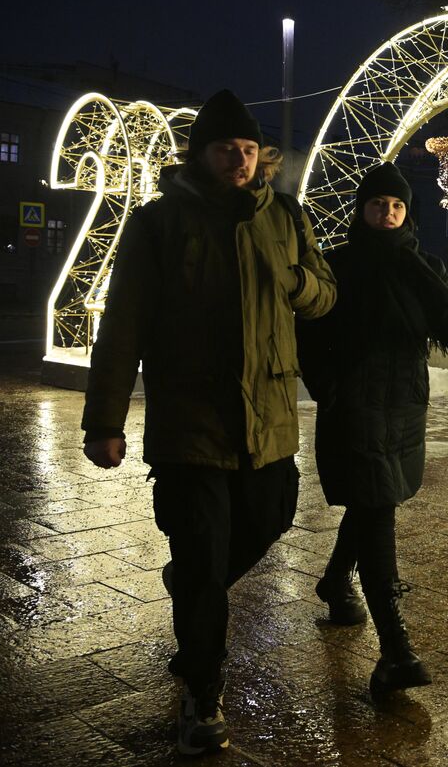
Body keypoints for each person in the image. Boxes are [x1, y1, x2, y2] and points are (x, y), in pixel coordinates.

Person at [81, 89, 336, 756]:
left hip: (269, 421)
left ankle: (194, 582)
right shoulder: (159, 223)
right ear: (201, 154)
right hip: (191, 423)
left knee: (271, 517)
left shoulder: (285, 216)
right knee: (201, 556)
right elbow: (124, 324)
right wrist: (104, 419)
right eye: (227, 149)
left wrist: (296, 282)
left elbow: (323, 292)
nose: (241, 160)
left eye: (250, 149)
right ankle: (203, 691)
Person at [297, 162, 448, 696]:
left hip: (405, 404)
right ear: (361, 210)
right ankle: (395, 649)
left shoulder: (424, 265)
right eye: (377, 205)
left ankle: (333, 581)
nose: (388, 214)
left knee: (377, 500)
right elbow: (307, 332)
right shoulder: (336, 265)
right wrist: (329, 386)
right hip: (354, 404)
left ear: (407, 212)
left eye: (396, 206)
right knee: (378, 505)